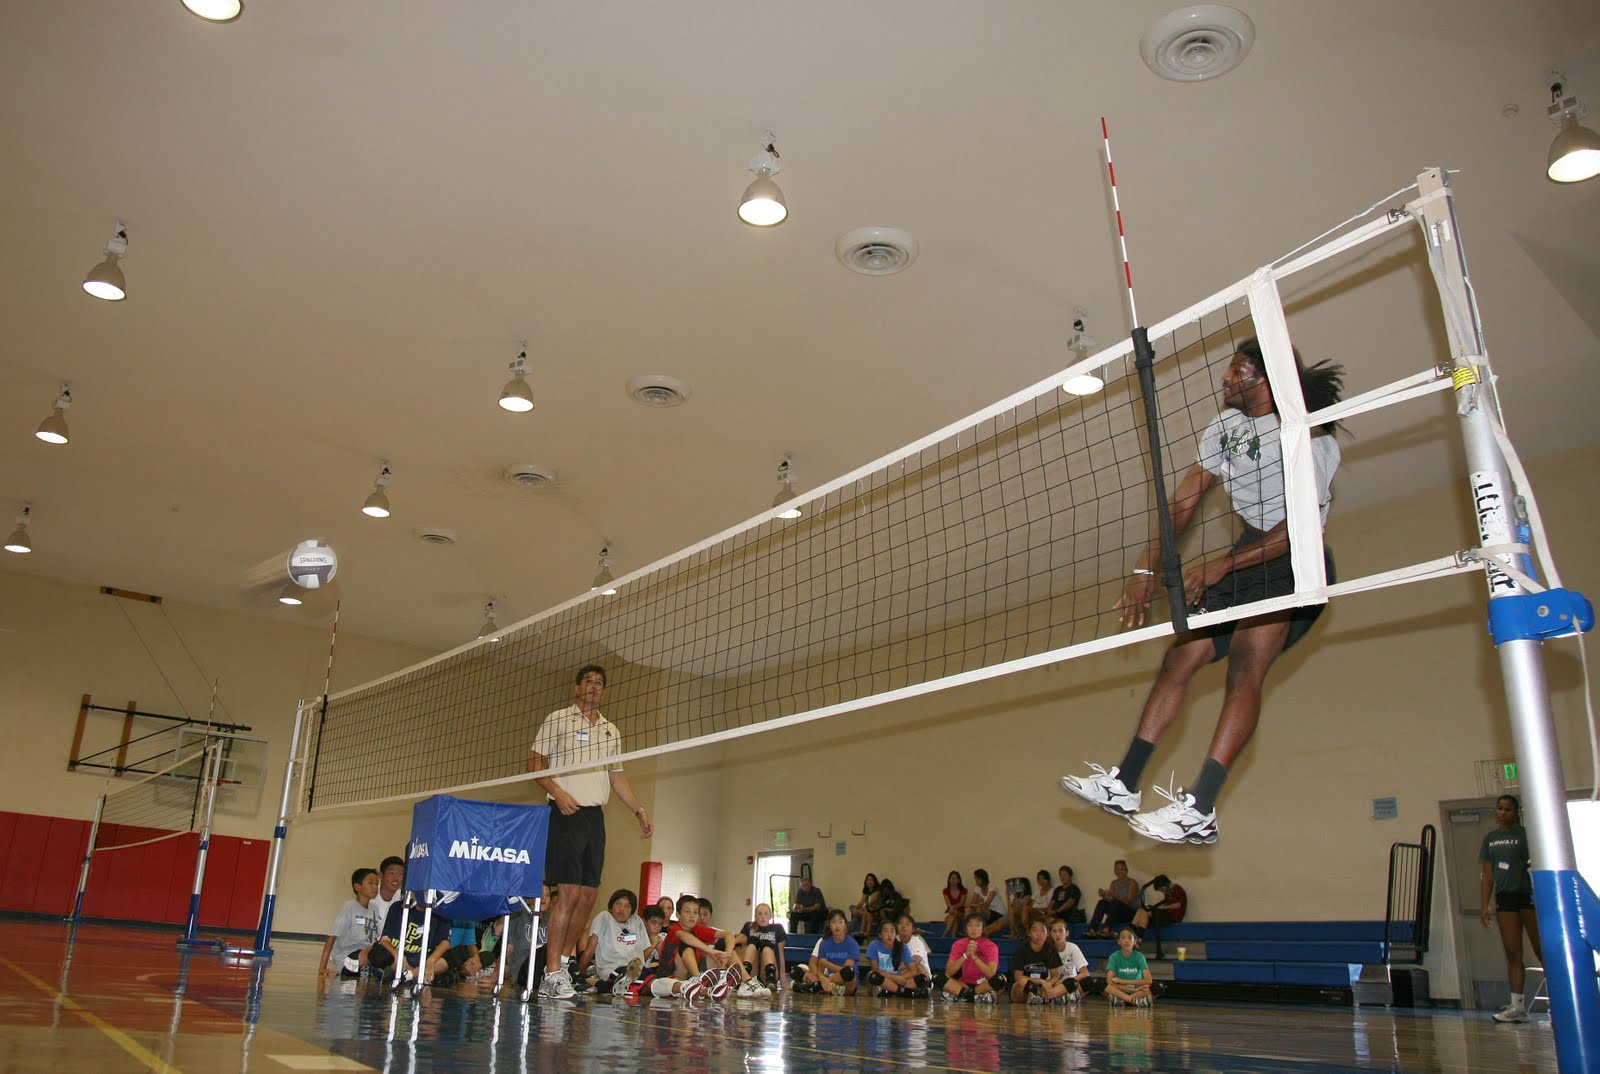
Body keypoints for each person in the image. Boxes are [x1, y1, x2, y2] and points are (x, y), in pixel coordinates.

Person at [1062, 339, 1345, 845]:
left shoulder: (1309, 438)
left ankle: (1201, 807)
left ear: (1265, 377)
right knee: (1178, 661)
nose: (1225, 379)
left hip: (1293, 562)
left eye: (1237, 370)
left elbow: (1298, 532)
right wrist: (1145, 572)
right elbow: (1183, 503)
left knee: (1244, 665)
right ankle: (1124, 783)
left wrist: (1224, 565)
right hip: (1245, 556)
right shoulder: (1225, 428)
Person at [528, 665, 654, 999]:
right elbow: (534, 765)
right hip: (565, 811)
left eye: (600, 683)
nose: (594, 687)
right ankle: (550, 971)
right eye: (589, 682)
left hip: (594, 816)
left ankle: (565, 966)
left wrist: (639, 810)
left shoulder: (612, 731)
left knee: (587, 896)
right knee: (567, 893)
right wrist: (560, 793)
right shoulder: (558, 719)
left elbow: (617, 778)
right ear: (577, 687)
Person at [1480, 794, 1544, 1024]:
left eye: (1507, 809)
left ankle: (1562, 1001)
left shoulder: (1526, 835)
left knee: (1541, 949)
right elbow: (1487, 876)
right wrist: (1484, 905)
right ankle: (1518, 1007)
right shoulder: (1491, 839)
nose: (1502, 813)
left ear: (1516, 812)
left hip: (1528, 896)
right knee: (1512, 952)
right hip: (1505, 899)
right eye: (1499, 809)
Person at [577, 888, 648, 994]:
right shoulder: (604, 918)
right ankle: (612, 982)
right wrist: (579, 974)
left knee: (652, 981)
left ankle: (680, 987)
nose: (621, 909)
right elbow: (589, 950)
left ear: (631, 911)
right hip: (611, 968)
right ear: (611, 907)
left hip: (637, 970)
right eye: (618, 904)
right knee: (641, 985)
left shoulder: (636, 921)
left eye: (627, 906)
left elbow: (643, 951)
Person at [318, 867, 382, 979]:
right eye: (370, 883)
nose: (375, 887)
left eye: (377, 883)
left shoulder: (374, 909)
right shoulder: (349, 907)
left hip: (367, 954)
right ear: (358, 887)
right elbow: (332, 936)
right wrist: (322, 967)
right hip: (348, 955)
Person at [940, 912, 1004, 1003]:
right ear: (966, 929)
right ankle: (975, 997)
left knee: (1000, 980)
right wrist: (966, 954)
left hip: (984, 984)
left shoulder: (991, 946)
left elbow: (991, 974)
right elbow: (948, 972)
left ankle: (965, 996)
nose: (974, 929)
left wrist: (974, 957)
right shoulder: (958, 944)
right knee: (938, 977)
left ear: (983, 929)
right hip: (964, 984)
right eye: (970, 925)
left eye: (977, 925)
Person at [794, 909, 860, 995]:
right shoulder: (824, 943)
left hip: (846, 980)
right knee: (796, 970)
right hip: (829, 978)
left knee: (848, 972)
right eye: (833, 922)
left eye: (840, 922)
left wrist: (827, 965)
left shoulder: (852, 943)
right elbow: (820, 970)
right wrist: (821, 977)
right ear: (829, 925)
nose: (837, 926)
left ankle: (818, 986)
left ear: (845, 925)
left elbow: (845, 969)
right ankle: (829, 988)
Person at [1009, 918, 1068, 1004]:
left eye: (1042, 931)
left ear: (1047, 933)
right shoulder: (1021, 949)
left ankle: (1043, 997)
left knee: (1068, 982)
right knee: (1023, 983)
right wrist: (1040, 981)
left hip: (1043, 986)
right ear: (1029, 933)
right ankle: (1045, 996)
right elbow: (1018, 977)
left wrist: (1048, 983)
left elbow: (1055, 975)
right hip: (1025, 987)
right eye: (1035, 930)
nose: (1039, 934)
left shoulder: (1050, 949)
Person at [735, 902, 786, 996]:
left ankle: (770, 976)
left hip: (767, 969)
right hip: (752, 969)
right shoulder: (749, 926)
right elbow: (739, 944)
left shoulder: (777, 928)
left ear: (771, 916)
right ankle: (745, 971)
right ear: (755, 916)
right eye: (759, 914)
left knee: (766, 946)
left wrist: (783, 981)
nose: (763, 917)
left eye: (766, 914)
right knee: (752, 943)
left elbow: (781, 954)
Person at [864, 919, 922, 996]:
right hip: (882, 978)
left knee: (921, 977)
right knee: (872, 975)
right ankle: (901, 991)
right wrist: (895, 978)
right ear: (880, 935)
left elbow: (913, 971)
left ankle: (891, 990)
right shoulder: (874, 945)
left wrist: (900, 978)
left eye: (892, 931)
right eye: (886, 931)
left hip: (897, 979)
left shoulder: (902, 947)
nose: (889, 935)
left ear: (896, 934)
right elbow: (875, 970)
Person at [1085, 861, 1139, 938]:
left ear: (1126, 871)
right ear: (1115, 871)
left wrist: (1114, 895)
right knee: (1102, 902)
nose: (1119, 871)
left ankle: (1107, 929)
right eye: (1117, 869)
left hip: (1130, 913)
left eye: (1122, 869)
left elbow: (1128, 901)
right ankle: (1092, 930)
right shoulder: (1114, 883)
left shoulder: (1132, 883)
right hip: (1117, 912)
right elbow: (1111, 900)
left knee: (1115, 902)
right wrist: (1104, 896)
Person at [1103, 927, 1155, 1007]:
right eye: (1123, 938)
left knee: (1157, 987)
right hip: (1120, 990)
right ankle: (1132, 1000)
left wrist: (1124, 981)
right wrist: (1131, 989)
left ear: (1134, 941)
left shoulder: (1140, 956)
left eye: (1130, 938)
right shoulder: (1114, 957)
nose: (1126, 941)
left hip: (1137, 990)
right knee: (1103, 985)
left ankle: (1122, 1000)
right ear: (1119, 941)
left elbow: (1148, 980)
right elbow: (1109, 981)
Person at [1050, 918, 1093, 1002]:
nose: (1057, 934)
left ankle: (1067, 997)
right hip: (1055, 984)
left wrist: (1067, 980)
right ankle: (1062, 996)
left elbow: (1085, 973)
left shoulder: (1072, 947)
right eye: (1054, 931)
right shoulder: (1048, 950)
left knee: (1089, 982)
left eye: (1060, 931)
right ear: (1050, 934)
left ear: (1067, 933)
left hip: (1071, 983)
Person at [895, 914, 934, 995]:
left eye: (907, 924)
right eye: (901, 923)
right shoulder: (894, 940)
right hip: (903, 973)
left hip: (917, 973)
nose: (903, 926)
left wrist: (899, 967)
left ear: (913, 929)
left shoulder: (917, 941)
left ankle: (926, 985)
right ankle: (905, 989)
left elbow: (916, 960)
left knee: (917, 966)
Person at [370, 855, 406, 929]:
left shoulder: (403, 897)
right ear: (381, 876)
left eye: (401, 874)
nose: (396, 878)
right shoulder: (370, 896)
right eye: (391, 873)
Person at [940, 870, 967, 937]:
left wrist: (953, 907)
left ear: (959, 880)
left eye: (955, 878)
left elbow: (962, 903)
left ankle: (944, 934)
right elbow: (948, 904)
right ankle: (953, 936)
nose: (953, 880)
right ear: (949, 880)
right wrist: (952, 908)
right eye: (951, 878)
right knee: (955, 918)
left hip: (960, 913)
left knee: (955, 915)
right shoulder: (945, 891)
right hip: (951, 913)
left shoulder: (964, 890)